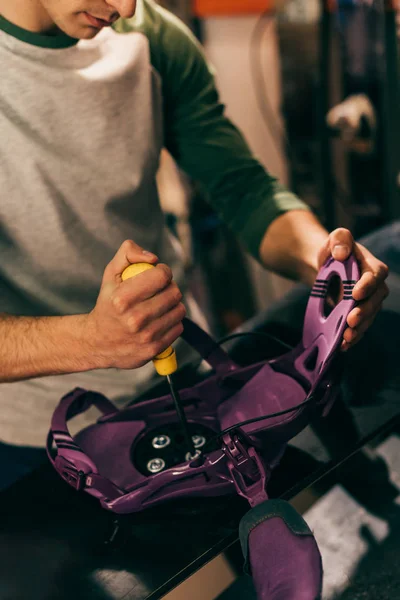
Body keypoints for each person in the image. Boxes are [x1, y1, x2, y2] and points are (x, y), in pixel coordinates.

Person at [0, 0, 389, 483]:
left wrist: (324, 260)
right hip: (32, 440)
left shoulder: (152, 38)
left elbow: (242, 188)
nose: (124, 6)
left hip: (183, 382)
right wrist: (90, 341)